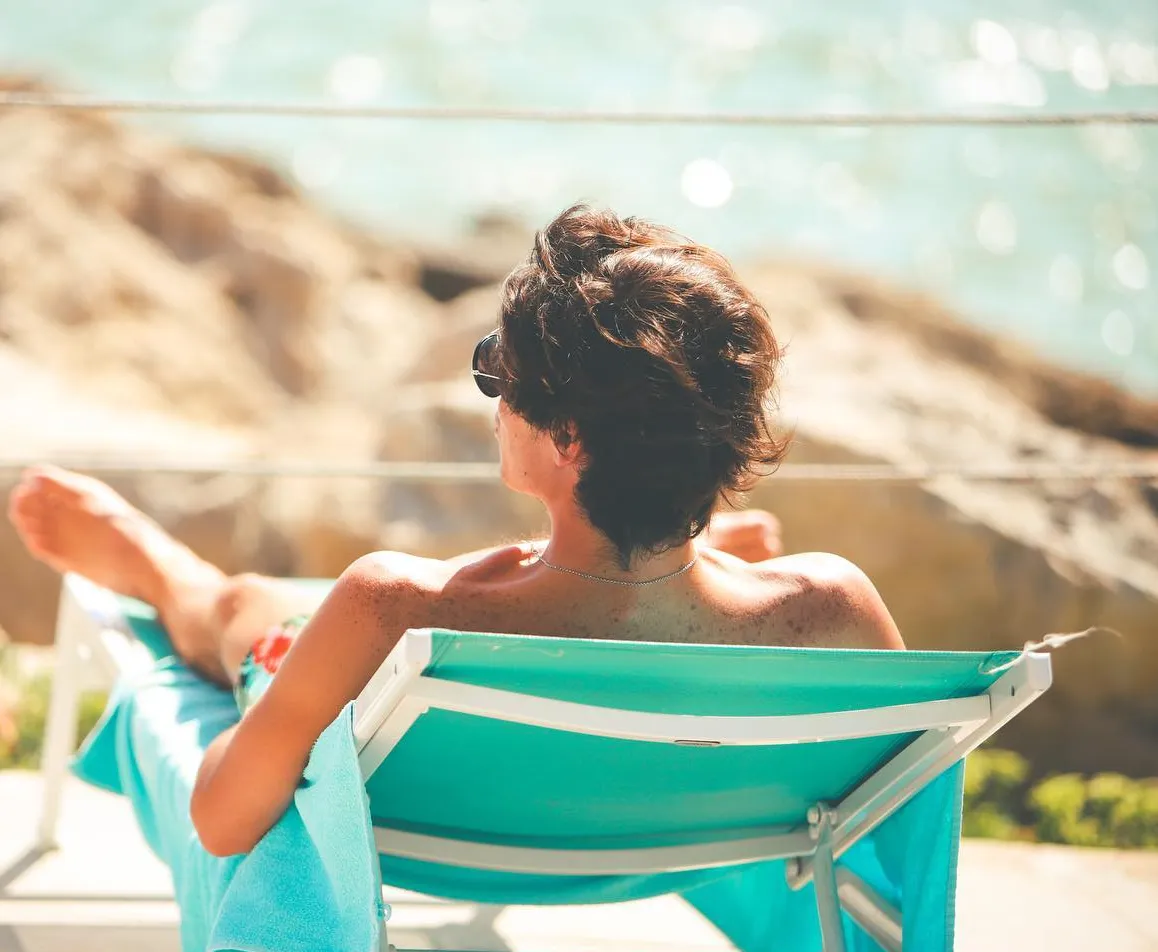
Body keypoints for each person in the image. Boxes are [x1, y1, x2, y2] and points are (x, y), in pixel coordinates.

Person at [8, 204, 902, 859]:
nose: (492, 394)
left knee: (243, 607)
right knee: (492, 585)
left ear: (568, 438)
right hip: (652, 835)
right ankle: (686, 570)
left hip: (430, 748)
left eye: (498, 372)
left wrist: (213, 725)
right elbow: (889, 824)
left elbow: (221, 820)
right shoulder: (829, 609)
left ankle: (163, 572)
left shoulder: (390, 605)